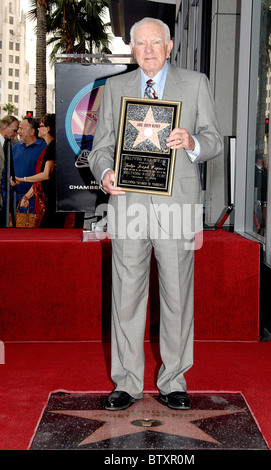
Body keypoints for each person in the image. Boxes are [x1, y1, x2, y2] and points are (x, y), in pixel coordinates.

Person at [88, 17, 223, 411]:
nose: (149, 50)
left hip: (176, 207)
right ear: (132, 49)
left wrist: (193, 141)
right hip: (127, 205)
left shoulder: (195, 83)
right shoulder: (114, 88)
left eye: (156, 43)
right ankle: (126, 383)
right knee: (126, 295)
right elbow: (99, 149)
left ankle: (174, 380)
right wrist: (106, 173)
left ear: (170, 46)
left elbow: (214, 138)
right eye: (141, 43)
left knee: (178, 296)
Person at [11, 113, 68, 228]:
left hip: (53, 202)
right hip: (46, 201)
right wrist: (26, 196)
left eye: (41, 126)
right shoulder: (49, 147)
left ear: (47, 129)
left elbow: (45, 175)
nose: (38, 128)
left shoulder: (52, 147)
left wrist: (22, 179)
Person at [2, 116, 47, 214]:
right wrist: (6, 196)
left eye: (21, 129)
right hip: (11, 202)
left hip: (32, 203)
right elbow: (5, 173)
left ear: (32, 131)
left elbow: (44, 177)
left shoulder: (44, 149)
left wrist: (28, 198)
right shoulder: (14, 148)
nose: (18, 132)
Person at [0, 115, 19, 226]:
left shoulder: (15, 145)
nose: (15, 133)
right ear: (5, 127)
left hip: (6, 193)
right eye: (14, 130)